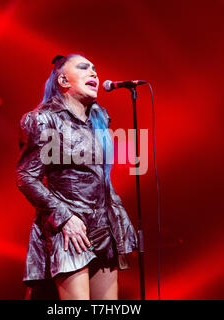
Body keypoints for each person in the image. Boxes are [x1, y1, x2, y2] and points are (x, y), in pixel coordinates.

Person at [16, 54, 137, 300]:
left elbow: (102, 176)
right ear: (63, 79)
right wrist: (64, 216)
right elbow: (26, 176)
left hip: (104, 227)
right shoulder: (44, 119)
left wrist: (117, 216)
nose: (94, 72)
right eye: (84, 68)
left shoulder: (99, 118)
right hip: (70, 229)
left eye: (95, 68)